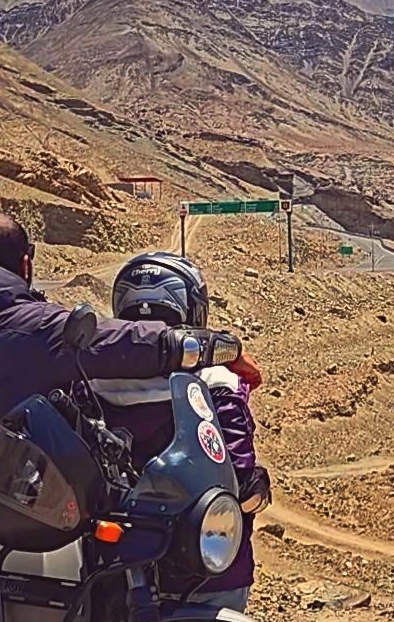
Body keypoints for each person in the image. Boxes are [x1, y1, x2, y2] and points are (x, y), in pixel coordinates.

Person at [0, 213, 261, 581]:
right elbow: (138, 343)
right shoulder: (40, 330)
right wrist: (223, 348)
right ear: (26, 263)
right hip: (18, 543)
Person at [93, 252, 269, 613]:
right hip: (207, 570)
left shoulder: (89, 381)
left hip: (111, 565)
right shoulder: (215, 381)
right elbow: (239, 474)